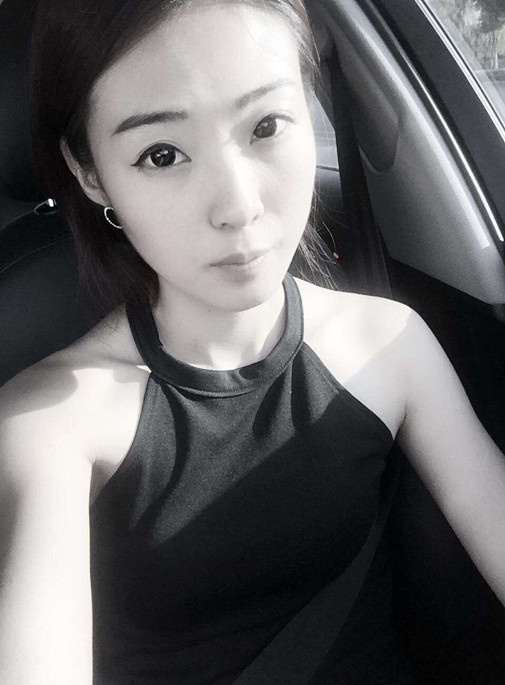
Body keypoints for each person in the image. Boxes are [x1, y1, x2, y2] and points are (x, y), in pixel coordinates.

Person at [0, 0, 505, 682]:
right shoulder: (52, 425)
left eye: (265, 125)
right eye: (161, 154)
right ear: (91, 173)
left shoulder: (389, 344)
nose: (238, 207)